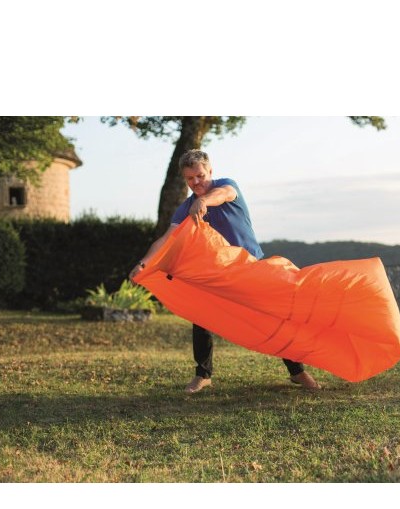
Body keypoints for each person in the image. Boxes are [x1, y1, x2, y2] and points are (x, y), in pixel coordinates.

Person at [129, 149, 321, 394]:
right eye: (190, 179)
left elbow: (222, 195)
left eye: (200, 176)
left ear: (210, 171)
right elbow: (167, 239)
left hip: (252, 268)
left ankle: (297, 371)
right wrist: (143, 264)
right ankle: (202, 375)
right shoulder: (185, 208)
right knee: (200, 317)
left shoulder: (227, 186)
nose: (196, 182)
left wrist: (203, 201)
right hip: (216, 274)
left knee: (275, 317)